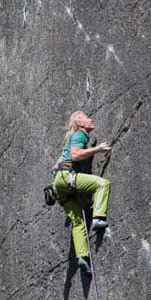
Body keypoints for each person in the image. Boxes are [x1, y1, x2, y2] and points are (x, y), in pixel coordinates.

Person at [52, 111, 111, 273]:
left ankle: (83, 257)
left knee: (78, 222)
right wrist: (98, 149)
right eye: (87, 117)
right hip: (66, 177)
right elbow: (75, 155)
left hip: (59, 186)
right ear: (79, 121)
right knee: (102, 184)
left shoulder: (71, 139)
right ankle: (98, 218)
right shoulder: (79, 134)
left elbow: (56, 165)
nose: (91, 119)